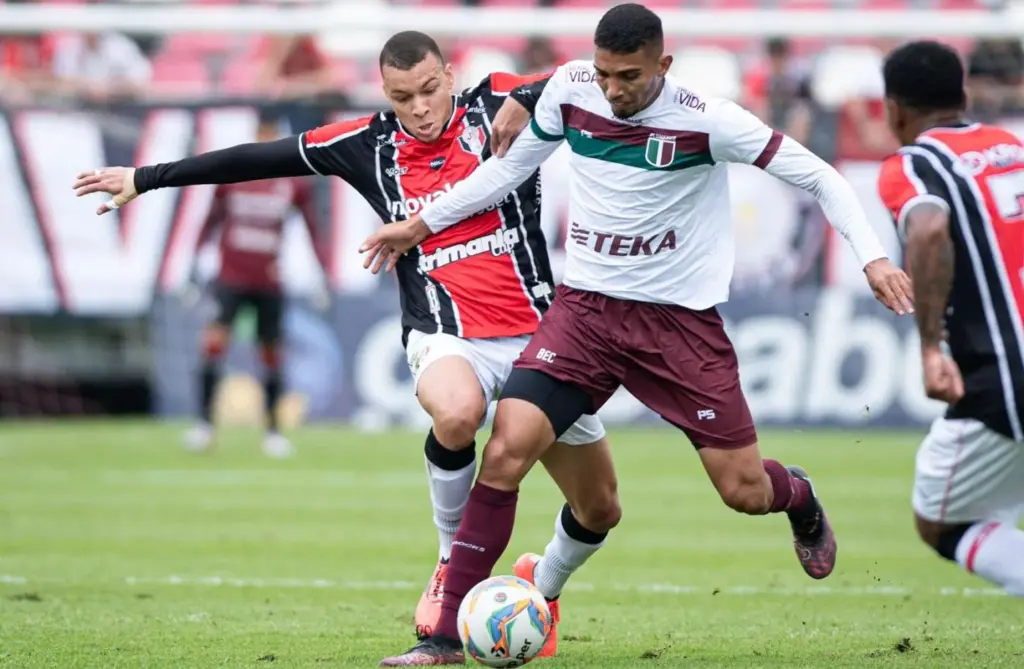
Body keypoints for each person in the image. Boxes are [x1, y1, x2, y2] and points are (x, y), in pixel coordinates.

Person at [362, 5, 914, 665]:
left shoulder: (708, 120)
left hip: (678, 326)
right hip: (585, 316)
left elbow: (820, 176)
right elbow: (504, 173)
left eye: (628, 76)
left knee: (743, 491)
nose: (612, 89)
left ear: (662, 65)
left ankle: (798, 495)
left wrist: (873, 257)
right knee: (506, 450)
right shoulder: (573, 89)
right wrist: (420, 225)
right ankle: (444, 637)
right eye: (604, 73)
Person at [71, 31, 620, 656]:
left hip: (536, 336)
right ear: (384, 93)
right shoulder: (367, 143)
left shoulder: (496, 102)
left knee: (599, 508)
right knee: (458, 412)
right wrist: (146, 177)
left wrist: (527, 94)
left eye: (430, 89)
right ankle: (450, 562)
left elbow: (588, 75)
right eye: (402, 97)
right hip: (446, 333)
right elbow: (256, 159)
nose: (419, 108)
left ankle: (540, 586)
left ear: (450, 75)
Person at [876, 40, 1024, 597]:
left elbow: (930, 229)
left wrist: (930, 347)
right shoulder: (1010, 147)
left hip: (1005, 371)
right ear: (962, 96)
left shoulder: (913, 164)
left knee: (943, 521)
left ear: (893, 110)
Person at [182, 109, 327, 459]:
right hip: (230, 278)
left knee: (272, 355)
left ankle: (273, 432)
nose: (266, 139)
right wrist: (193, 270)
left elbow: (311, 228)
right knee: (214, 345)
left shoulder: (292, 181)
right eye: (262, 132)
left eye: (271, 133)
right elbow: (210, 222)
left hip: (269, 281)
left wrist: (320, 275)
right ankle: (204, 425)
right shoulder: (233, 173)